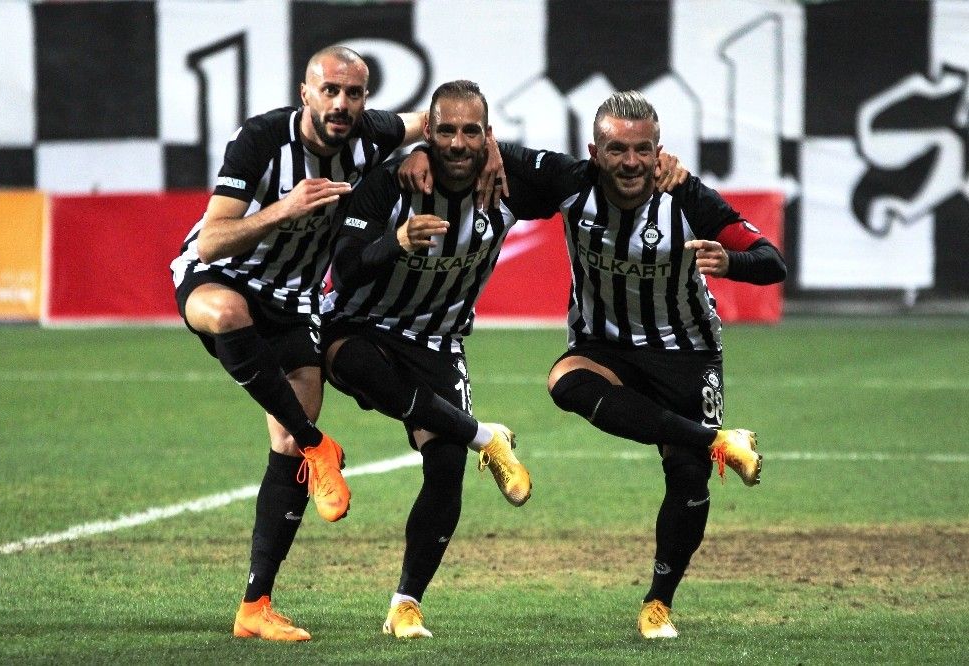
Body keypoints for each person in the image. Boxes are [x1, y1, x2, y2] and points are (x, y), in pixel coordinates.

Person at [321, 80, 686, 639]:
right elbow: (344, 271)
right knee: (351, 365)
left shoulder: (508, 180)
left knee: (445, 466)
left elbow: (592, 174)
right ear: (429, 133)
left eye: (472, 132)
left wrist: (665, 169)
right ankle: (483, 436)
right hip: (361, 325)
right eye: (446, 131)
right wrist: (397, 241)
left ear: (488, 136)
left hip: (438, 341)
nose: (458, 143)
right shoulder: (392, 181)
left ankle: (405, 605)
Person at [170, 46, 502, 642]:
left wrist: (481, 149)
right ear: (306, 93)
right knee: (225, 313)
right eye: (329, 91)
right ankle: (317, 444)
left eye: (353, 94)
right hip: (224, 277)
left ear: (364, 99)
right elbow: (210, 242)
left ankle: (255, 606)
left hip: (295, 299)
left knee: (284, 447)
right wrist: (285, 208)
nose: (340, 104)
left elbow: (440, 123)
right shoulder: (260, 140)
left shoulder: (371, 134)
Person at [498, 90, 786, 639]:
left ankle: (659, 602)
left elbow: (772, 262)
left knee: (688, 477)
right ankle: (719, 440)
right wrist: (469, 151)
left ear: (659, 152)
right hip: (605, 345)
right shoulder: (570, 182)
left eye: (642, 149)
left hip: (686, 351)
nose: (630, 161)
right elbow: (495, 148)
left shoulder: (688, 197)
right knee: (564, 382)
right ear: (594, 152)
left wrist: (731, 261)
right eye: (617, 149)